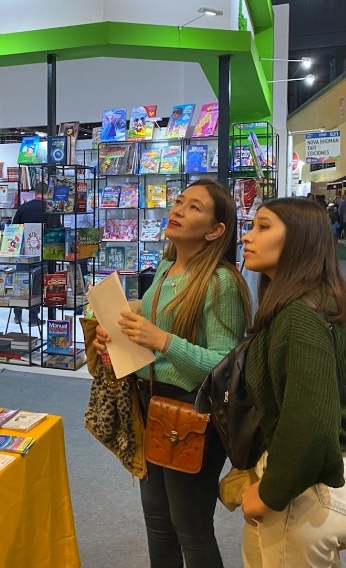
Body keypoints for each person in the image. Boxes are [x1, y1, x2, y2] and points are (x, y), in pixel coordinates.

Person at [94, 179, 251, 568]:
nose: (179, 210)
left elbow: (224, 366)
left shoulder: (222, 282)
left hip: (190, 413)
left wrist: (162, 341)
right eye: (180, 201)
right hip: (151, 403)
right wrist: (112, 332)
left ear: (216, 230)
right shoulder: (166, 267)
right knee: (157, 522)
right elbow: (152, 317)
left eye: (195, 207)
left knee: (191, 527)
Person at [239, 197, 346, 567]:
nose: (248, 237)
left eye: (263, 227)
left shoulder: (299, 315)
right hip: (315, 481)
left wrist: (270, 493)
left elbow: (309, 423)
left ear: (300, 240)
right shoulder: (305, 302)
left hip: (305, 491)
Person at [12, 182, 47, 326]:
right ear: (47, 193)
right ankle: (33, 317)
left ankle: (17, 314)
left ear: (35, 192)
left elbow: (14, 229)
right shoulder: (49, 208)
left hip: (23, 251)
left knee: (21, 281)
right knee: (37, 284)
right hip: (41, 251)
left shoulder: (23, 207)